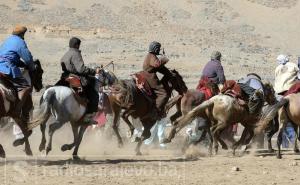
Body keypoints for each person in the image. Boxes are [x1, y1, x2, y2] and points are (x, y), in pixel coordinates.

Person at [58, 37, 100, 123]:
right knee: (94, 86)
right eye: (79, 45)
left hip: (65, 77)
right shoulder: (76, 53)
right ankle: (89, 115)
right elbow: (81, 69)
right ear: (77, 45)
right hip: (75, 77)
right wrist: (94, 71)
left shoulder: (66, 54)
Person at [0, 25, 35, 116]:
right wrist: (32, 67)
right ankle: (17, 110)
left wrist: (21, 64)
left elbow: (9, 56)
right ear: (23, 34)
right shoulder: (20, 42)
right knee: (25, 87)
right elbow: (27, 58)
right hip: (6, 68)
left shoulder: (7, 40)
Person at [143, 41, 172, 119]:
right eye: (158, 48)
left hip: (146, 75)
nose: (159, 50)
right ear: (155, 49)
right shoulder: (152, 56)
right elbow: (157, 64)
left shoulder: (150, 55)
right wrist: (164, 57)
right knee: (163, 94)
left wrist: (168, 72)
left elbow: (159, 68)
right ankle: (155, 112)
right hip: (150, 77)